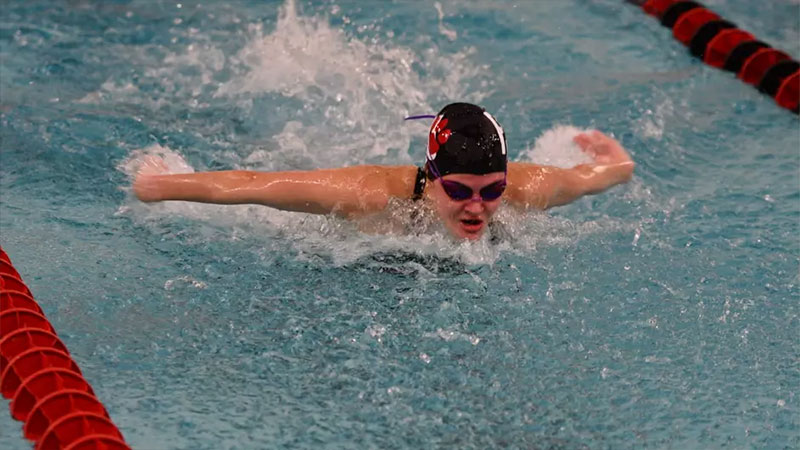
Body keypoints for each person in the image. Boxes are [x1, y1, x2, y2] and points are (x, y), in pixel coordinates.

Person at [133, 103, 635, 240]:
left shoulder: (529, 189)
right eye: (459, 190)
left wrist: (613, 159)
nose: (478, 207)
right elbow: (256, 186)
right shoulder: (371, 195)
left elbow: (599, 175)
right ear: (432, 176)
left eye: (492, 191)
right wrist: (159, 186)